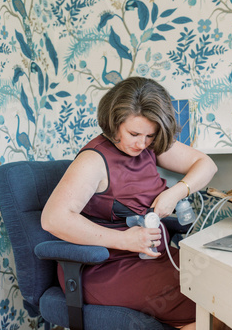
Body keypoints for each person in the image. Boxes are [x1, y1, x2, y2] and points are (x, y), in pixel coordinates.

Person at [42, 77, 218, 329]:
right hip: (108, 267)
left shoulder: (148, 146)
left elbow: (206, 165)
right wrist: (124, 240)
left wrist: (176, 192)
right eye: (134, 134)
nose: (142, 144)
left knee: (224, 283)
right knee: (214, 299)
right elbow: (53, 219)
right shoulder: (93, 160)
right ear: (114, 123)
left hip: (152, 258)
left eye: (150, 135)